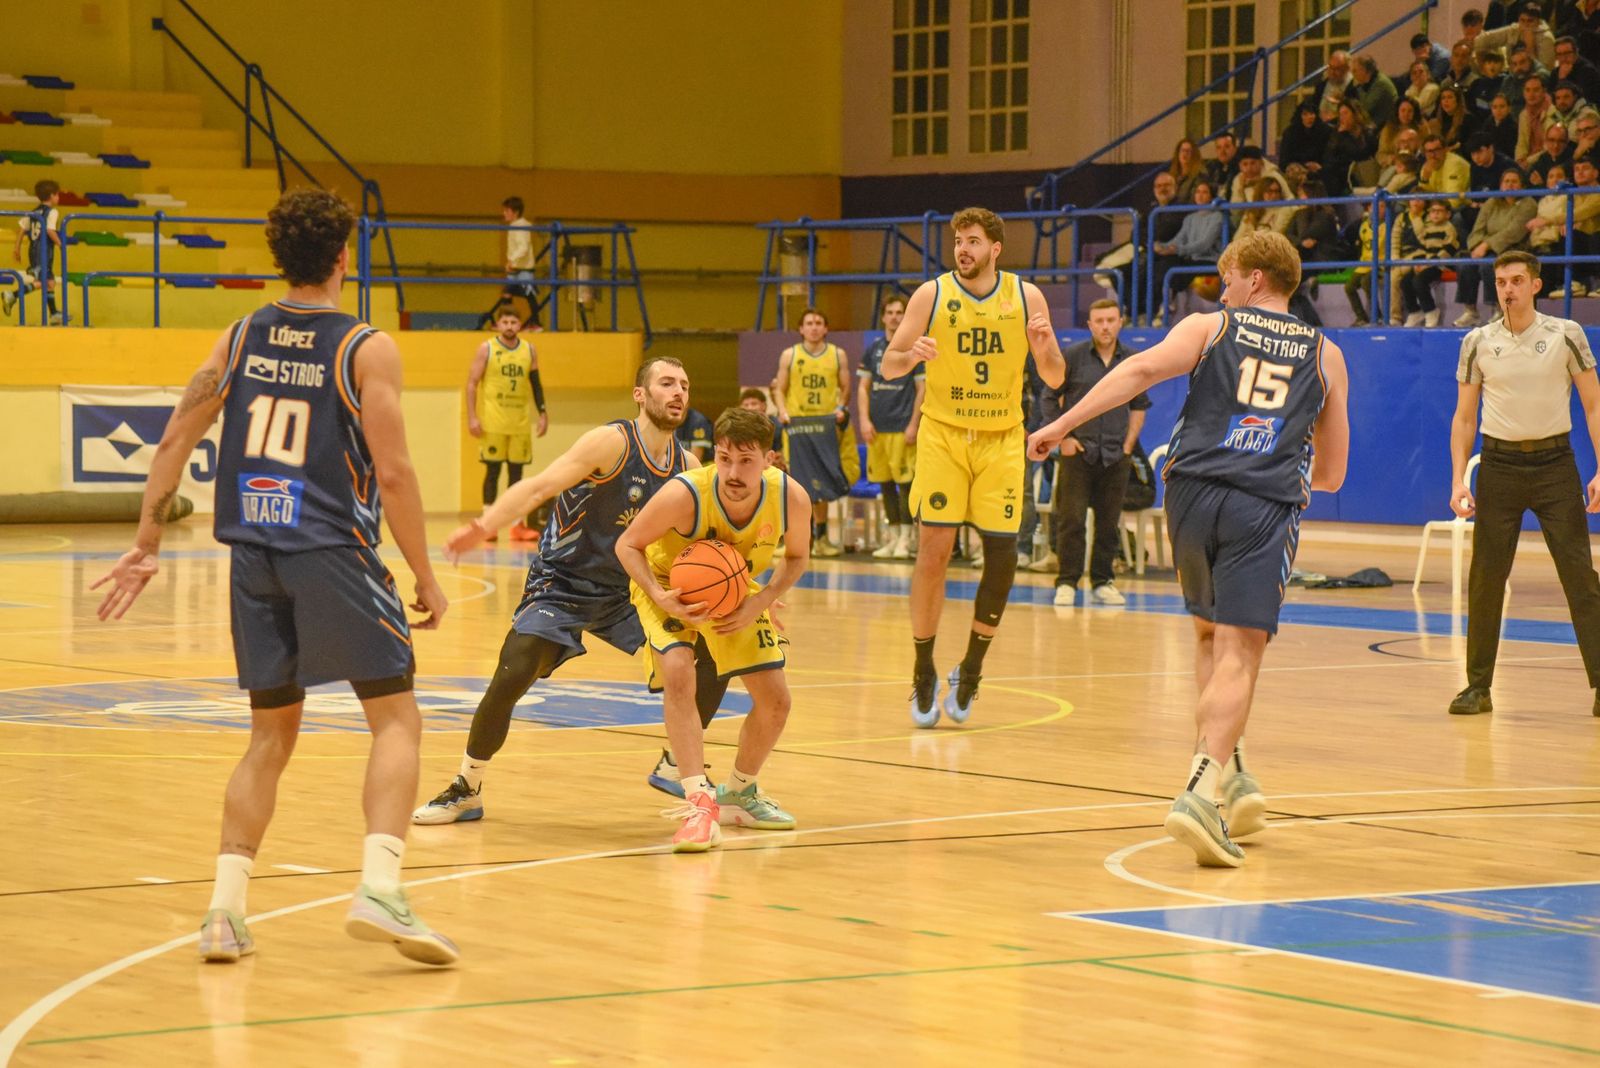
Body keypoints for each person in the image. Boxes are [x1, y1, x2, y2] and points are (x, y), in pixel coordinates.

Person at [90, 189, 458, 964]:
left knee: (268, 736)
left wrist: (147, 541)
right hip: (331, 551)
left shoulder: (240, 333)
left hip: (252, 558)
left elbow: (174, 441)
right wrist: (425, 572)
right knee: (396, 719)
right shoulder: (365, 346)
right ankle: (382, 890)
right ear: (342, 257)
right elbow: (392, 473)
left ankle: (224, 913)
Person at [1027, 230, 1351, 868]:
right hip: (1262, 504)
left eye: (1229, 276)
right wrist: (1278, 457)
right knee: (1240, 653)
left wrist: (1061, 423)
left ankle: (1231, 770)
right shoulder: (1326, 353)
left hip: (1191, 495)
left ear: (1256, 278)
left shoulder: (1211, 327)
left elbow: (1140, 370)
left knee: (1208, 638)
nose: (1223, 287)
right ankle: (1202, 792)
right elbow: (1335, 472)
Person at [413, 357, 740, 825]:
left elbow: (708, 538)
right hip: (562, 582)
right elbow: (538, 487)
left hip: (630, 590)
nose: (678, 393)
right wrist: (483, 526)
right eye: (667, 383)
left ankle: (676, 761)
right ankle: (468, 786)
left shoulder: (686, 466)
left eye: (685, 385)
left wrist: (748, 589)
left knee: (717, 649)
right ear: (640, 394)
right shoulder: (609, 443)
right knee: (514, 670)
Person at [881, 206, 1065, 727]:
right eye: (959, 240)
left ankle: (973, 668)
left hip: (1002, 438)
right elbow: (890, 364)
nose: (964, 248)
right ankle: (922, 668)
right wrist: (911, 354)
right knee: (933, 551)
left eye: (974, 241)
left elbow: (1054, 377)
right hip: (944, 435)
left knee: (1002, 557)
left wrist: (1046, 348)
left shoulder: (1025, 297)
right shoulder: (930, 295)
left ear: (995, 249)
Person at [615, 407, 812, 851]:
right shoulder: (685, 494)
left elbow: (796, 557)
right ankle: (698, 803)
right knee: (680, 670)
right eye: (724, 458)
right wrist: (658, 594)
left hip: (737, 590)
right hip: (667, 586)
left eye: (746, 461)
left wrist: (760, 600)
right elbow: (627, 544)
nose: (733, 471)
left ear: (769, 459)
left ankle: (739, 792)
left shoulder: (790, 497)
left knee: (776, 701)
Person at [1447, 249, 1600, 717]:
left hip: (1556, 465)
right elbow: (1465, 416)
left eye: (1516, 280)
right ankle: (1478, 687)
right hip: (1499, 467)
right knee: (1486, 578)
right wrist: (1458, 478)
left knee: (1580, 577)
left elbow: (1593, 405)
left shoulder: (1565, 334)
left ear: (1535, 284)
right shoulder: (1476, 340)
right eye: (1500, 282)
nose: (1507, 289)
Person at [1040, 299, 1148, 607]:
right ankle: (1067, 582)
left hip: (1116, 455)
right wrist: (1063, 438)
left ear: (1120, 322)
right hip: (1078, 452)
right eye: (1098, 320)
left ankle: (1103, 581)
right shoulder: (1073, 357)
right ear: (1089, 325)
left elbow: (1139, 406)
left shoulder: (1132, 360)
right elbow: (1049, 397)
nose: (1104, 326)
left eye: (1110, 320)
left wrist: (1128, 445)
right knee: (1070, 520)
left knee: (1109, 521)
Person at [774, 307, 851, 555]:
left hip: (824, 425)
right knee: (796, 484)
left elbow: (846, 387)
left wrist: (840, 407)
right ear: (801, 329)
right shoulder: (789, 355)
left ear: (826, 328)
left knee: (822, 483)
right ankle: (796, 539)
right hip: (798, 425)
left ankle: (821, 538)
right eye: (809, 323)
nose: (814, 327)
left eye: (819, 322)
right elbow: (779, 388)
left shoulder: (838, 354)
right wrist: (782, 410)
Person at [467, 305, 547, 541]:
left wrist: (542, 412)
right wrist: (472, 416)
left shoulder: (529, 350)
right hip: (493, 421)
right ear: (497, 325)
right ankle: (487, 525)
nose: (510, 326)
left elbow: (536, 384)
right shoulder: (487, 349)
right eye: (505, 322)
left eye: (514, 322)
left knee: (517, 477)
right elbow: (472, 383)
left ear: (520, 325)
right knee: (492, 472)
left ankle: (516, 525)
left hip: (519, 423)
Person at [858, 295, 924, 559]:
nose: (895, 317)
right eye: (891, 312)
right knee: (884, 483)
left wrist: (913, 424)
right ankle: (893, 536)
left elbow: (922, 389)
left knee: (906, 484)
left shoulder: (914, 348)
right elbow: (863, 388)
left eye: (900, 312)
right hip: (877, 428)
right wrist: (864, 419)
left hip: (902, 427)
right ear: (883, 317)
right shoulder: (873, 349)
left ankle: (907, 539)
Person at [1455, 165, 1537, 325]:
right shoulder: (1492, 202)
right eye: (1506, 181)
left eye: (1514, 181)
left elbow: (1513, 232)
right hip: (1485, 249)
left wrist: (1486, 245)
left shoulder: (1529, 204)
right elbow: (1477, 229)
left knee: (1490, 266)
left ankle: (1499, 309)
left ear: (1522, 185)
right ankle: (1470, 310)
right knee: (1465, 264)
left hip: (1514, 249)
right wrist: (1476, 247)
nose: (1510, 185)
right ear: (1500, 185)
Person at [1151, 180, 1225, 323]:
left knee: (1180, 269)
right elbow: (1179, 239)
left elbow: (1204, 244)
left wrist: (1177, 249)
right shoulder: (1190, 218)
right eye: (1198, 192)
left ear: (1211, 196)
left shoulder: (1217, 217)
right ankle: (1163, 304)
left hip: (1210, 260)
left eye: (1204, 192)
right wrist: (1163, 247)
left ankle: (1170, 300)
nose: (1200, 195)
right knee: (1163, 263)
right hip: (1192, 258)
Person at [476, 196, 539, 330]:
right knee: (509, 292)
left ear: (515, 212)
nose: (504, 213)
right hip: (516, 268)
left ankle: (535, 323)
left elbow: (523, 247)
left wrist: (512, 260)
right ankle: (507, 322)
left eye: (507, 210)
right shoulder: (515, 226)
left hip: (523, 269)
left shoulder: (521, 227)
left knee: (528, 294)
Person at [5, 179, 61, 323]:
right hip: (44, 251)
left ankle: (54, 313)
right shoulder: (52, 212)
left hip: (33, 250)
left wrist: (17, 247)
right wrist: (60, 243)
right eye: (57, 195)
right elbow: (49, 230)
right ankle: (12, 294)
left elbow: (22, 229)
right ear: (52, 195)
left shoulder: (33, 212)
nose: (58, 198)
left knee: (50, 281)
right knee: (45, 282)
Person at [1400, 199, 1462, 326]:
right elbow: (1423, 247)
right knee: (1405, 281)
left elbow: (1448, 250)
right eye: (1433, 211)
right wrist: (1419, 263)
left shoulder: (1449, 229)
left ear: (1448, 214)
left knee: (1419, 281)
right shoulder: (1427, 229)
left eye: (1439, 211)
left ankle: (1431, 310)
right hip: (1426, 263)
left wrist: (1428, 264)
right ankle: (1415, 311)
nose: (1435, 214)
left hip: (1441, 265)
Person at [1320, 100, 1378, 196]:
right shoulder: (1338, 133)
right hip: (1341, 173)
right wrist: (1340, 136)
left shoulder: (1368, 132)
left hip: (1363, 172)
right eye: (1340, 114)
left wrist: (1343, 137)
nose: (1342, 117)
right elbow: (1328, 158)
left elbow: (1360, 155)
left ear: (1355, 114)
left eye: (1346, 113)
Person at [1476, 2, 1558, 69]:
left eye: (1530, 21)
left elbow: (1545, 70)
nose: (1525, 25)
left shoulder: (1547, 38)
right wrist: (1483, 69)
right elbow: (1482, 39)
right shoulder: (1514, 29)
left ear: (1538, 21)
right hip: (1512, 75)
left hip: (1534, 81)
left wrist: (1530, 46)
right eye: (1522, 20)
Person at [1351, 54, 1400, 129]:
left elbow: (1366, 108)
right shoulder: (1364, 84)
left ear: (1364, 70)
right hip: (1375, 123)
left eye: (1355, 71)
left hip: (1387, 125)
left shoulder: (1381, 83)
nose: (1353, 74)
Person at [1278, 103, 1330, 169]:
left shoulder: (1325, 132)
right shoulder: (1290, 133)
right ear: (1299, 116)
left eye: (1312, 113)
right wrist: (1303, 165)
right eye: (1305, 114)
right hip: (1296, 171)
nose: (1309, 117)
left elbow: (1328, 157)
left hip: (1319, 171)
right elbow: (1284, 161)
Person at [1310, 51, 1355, 122]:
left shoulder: (1354, 86)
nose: (1332, 72)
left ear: (1347, 69)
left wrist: (1335, 117)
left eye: (1337, 69)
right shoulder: (1321, 86)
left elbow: (1355, 113)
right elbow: (1313, 107)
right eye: (1331, 68)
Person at [1169, 136, 1208, 202]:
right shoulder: (1173, 176)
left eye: (1188, 151)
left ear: (1194, 154)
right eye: (1182, 150)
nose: (1184, 154)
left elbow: (1194, 200)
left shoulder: (1200, 175)